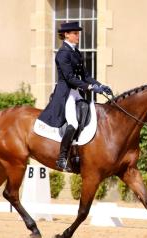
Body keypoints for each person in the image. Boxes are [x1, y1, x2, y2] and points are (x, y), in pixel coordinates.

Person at [38, 22, 112, 172]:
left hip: (77, 93)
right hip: (66, 94)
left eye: (78, 33)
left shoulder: (76, 52)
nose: (78, 36)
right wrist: (91, 87)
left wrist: (100, 85)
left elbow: (85, 76)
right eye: (75, 33)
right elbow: (70, 78)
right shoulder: (62, 54)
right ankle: (62, 158)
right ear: (66, 35)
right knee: (73, 123)